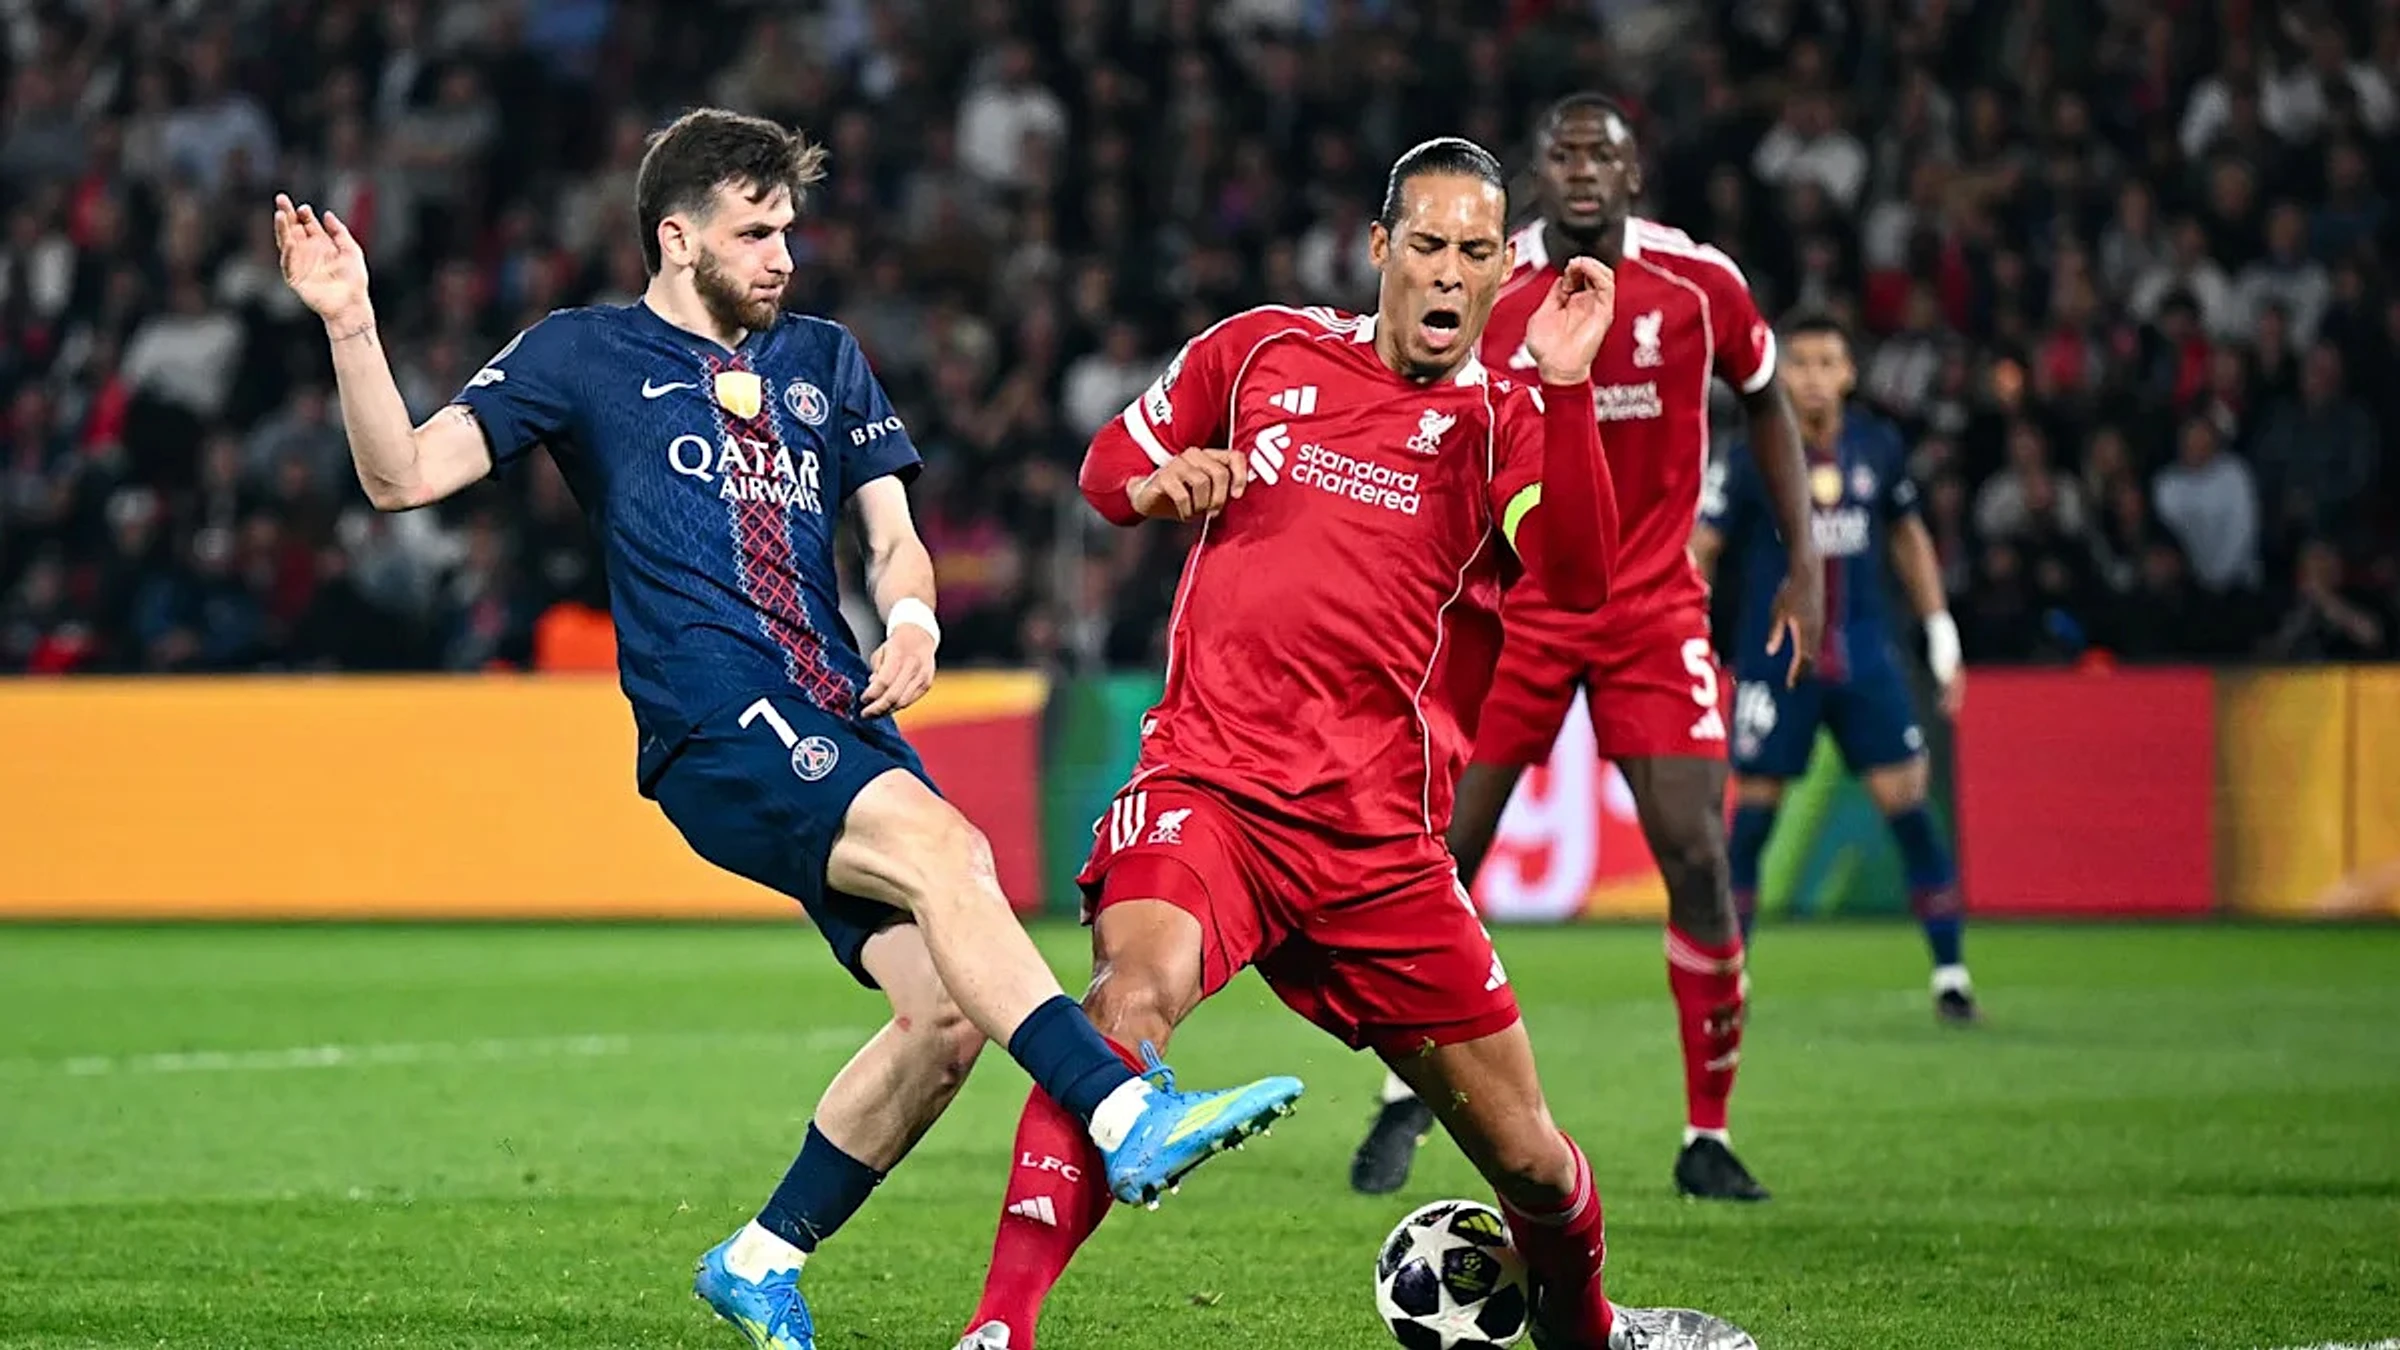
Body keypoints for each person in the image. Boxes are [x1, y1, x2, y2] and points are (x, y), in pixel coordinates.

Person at [269, 107, 1301, 1350]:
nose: (783, 257)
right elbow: (402, 477)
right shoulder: (583, 355)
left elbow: (893, 535)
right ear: (676, 237)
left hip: (835, 710)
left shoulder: (824, 358)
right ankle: (1124, 1112)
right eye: (755, 233)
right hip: (713, 716)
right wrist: (351, 322)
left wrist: (912, 616)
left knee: (945, 1017)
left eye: (788, 232)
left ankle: (760, 1259)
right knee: (950, 853)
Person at [952, 137, 1756, 1350]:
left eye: (1476, 252)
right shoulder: (1261, 350)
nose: (1449, 273)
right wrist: (1159, 486)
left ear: (1502, 272)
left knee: (1531, 1160)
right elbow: (1108, 464)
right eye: (1427, 244)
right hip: (1213, 789)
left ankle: (1593, 1333)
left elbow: (1581, 576)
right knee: (1123, 1009)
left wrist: (1569, 385)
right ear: (1381, 248)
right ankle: (998, 1332)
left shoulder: (1505, 421)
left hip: (1379, 847)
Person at [1350, 94, 1823, 1205]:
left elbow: (1766, 401)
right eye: (1560, 154)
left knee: (1697, 856)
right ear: (1538, 172)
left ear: (1631, 174)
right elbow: (1418, 407)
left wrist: (1802, 560)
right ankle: (1405, 1092)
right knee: (1438, 856)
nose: (1578, 170)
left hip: (1652, 609)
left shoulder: (1700, 286)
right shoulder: (1490, 280)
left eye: (1597, 155)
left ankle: (1707, 1133)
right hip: (1514, 607)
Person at [1695, 315, 1979, 1021]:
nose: (1815, 377)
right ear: (1781, 372)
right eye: (1801, 363)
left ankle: (1951, 975)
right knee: (1750, 825)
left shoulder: (1879, 449)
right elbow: (1703, 548)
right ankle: (1728, 981)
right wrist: (1686, 636)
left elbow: (1909, 539)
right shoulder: (1749, 454)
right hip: (1774, 665)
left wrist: (1941, 631)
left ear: (1849, 373)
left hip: (1865, 660)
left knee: (1910, 809)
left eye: (1828, 362)